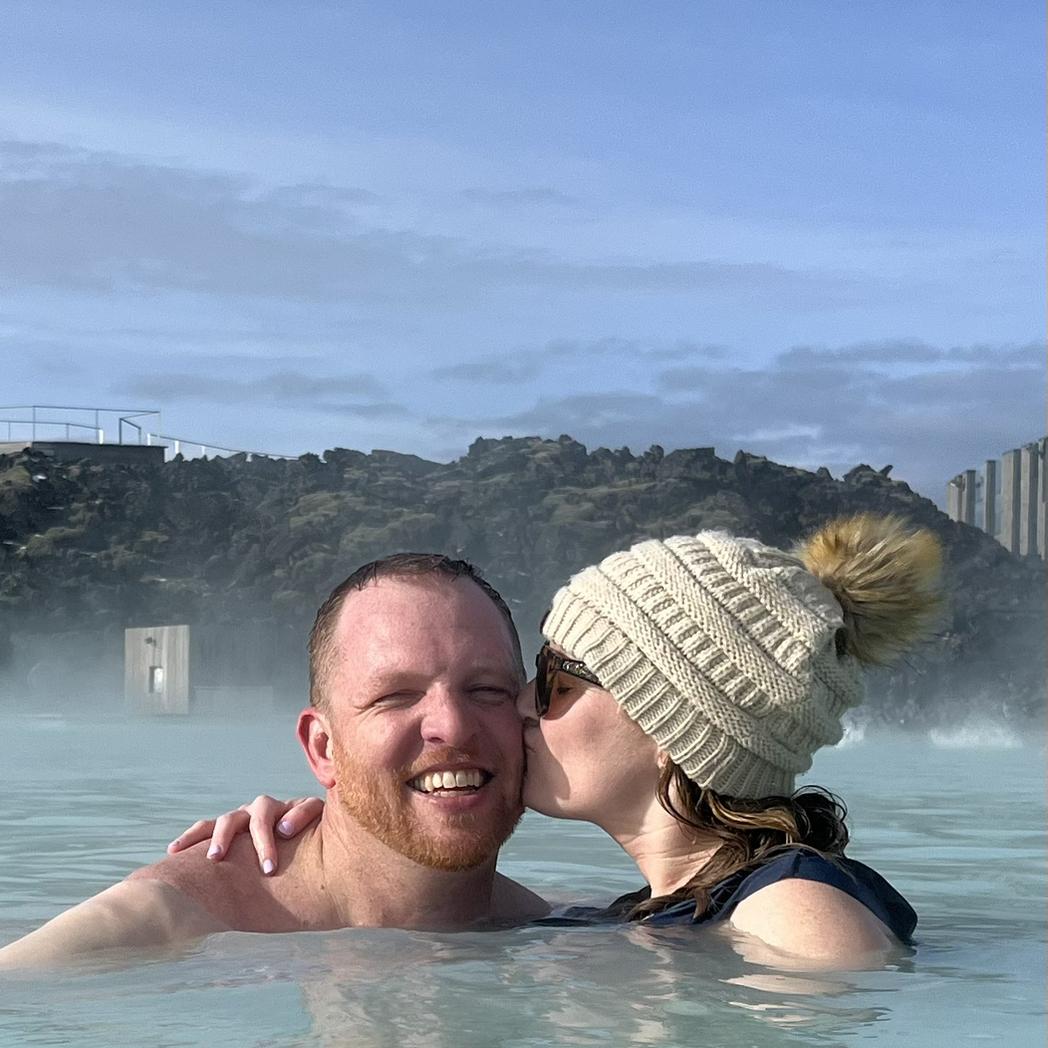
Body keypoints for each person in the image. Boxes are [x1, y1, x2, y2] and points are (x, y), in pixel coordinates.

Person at [188, 514, 942, 967]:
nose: (517, 706)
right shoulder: (660, 914)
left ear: (670, 728)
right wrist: (332, 827)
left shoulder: (795, 913)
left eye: (555, 681)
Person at [0, 555, 549, 968]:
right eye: (396, 697)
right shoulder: (165, 926)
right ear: (322, 748)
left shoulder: (562, 925)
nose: (451, 725)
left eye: (486, 689)